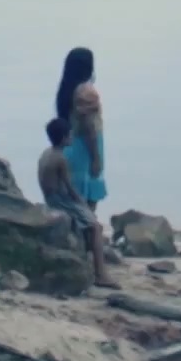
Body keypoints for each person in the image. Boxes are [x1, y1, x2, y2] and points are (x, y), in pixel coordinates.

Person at [37, 116, 116, 288]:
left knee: (89, 224)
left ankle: (89, 262)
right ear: (64, 138)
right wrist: (83, 204)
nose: (72, 137)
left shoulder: (46, 154)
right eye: (70, 134)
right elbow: (70, 189)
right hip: (60, 201)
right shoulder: (60, 159)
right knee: (95, 227)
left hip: (50, 198)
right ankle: (101, 274)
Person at [54, 46, 106, 209]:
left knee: (72, 202)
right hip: (85, 151)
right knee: (88, 204)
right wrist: (96, 158)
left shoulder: (66, 89)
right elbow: (89, 127)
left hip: (70, 147)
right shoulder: (86, 92)